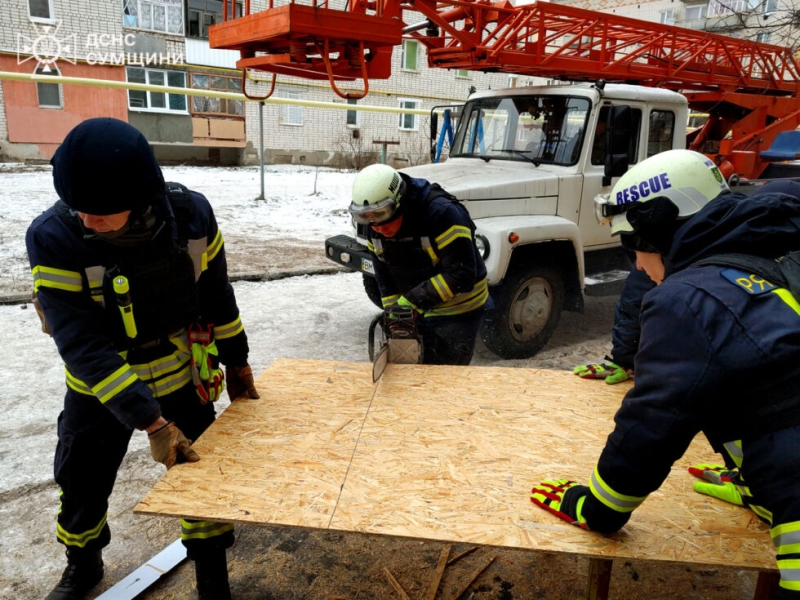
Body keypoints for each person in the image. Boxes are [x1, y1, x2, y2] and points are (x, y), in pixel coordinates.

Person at [529, 149, 800, 598]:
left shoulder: (688, 299)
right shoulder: (773, 257)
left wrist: (597, 508)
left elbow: (651, 425)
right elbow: (777, 388)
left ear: (657, 228)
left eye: (631, 245)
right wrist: (760, 483)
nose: (636, 264)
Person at [26, 118, 260, 600]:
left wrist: (237, 364)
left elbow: (218, 297)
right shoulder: (54, 237)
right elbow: (81, 344)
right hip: (100, 390)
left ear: (141, 193)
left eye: (101, 210)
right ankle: (83, 563)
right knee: (81, 481)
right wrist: (152, 423)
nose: (87, 220)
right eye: (78, 207)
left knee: (200, 482)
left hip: (182, 374)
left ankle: (211, 574)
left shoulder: (192, 216)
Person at [349, 163, 490, 365]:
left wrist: (410, 302)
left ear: (399, 202)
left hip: (458, 308)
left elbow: (461, 274)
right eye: (366, 217)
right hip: (418, 301)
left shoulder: (442, 214)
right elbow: (384, 276)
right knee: (412, 372)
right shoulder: (375, 226)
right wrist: (394, 312)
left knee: (444, 375)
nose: (377, 227)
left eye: (381, 215)